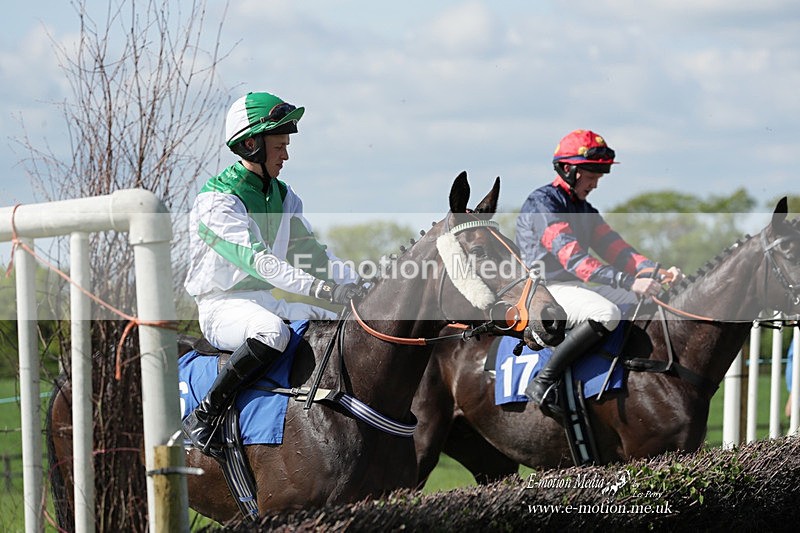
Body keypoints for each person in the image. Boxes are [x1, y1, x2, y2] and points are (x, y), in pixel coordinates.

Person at [182, 91, 361, 457]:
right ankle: (206, 414)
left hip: (267, 300)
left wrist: (360, 283)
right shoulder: (217, 200)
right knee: (272, 332)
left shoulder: (285, 196)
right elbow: (260, 262)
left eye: (286, 145)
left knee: (337, 322)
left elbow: (314, 255)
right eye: (279, 146)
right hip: (222, 306)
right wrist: (325, 289)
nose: (286, 155)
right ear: (251, 145)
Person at [515, 129, 683, 415]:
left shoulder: (585, 209)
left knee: (643, 303)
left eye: (598, 178)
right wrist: (631, 282)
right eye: (591, 177)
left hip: (572, 287)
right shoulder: (542, 204)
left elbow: (618, 250)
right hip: (544, 291)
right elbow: (575, 261)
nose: (595, 184)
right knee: (607, 314)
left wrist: (655, 272)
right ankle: (543, 382)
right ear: (568, 169)